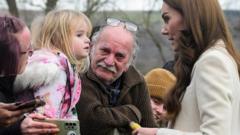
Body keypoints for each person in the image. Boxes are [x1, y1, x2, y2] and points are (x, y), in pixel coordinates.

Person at [133, 0, 240, 135]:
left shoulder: (212, 62)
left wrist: (157, 133)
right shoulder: (219, 59)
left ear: (190, 16)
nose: (163, 30)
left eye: (167, 18)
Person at [76, 17, 156, 135]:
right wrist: (132, 112)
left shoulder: (136, 81)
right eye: (105, 51)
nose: (109, 61)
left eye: (119, 56)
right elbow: (90, 121)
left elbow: (149, 129)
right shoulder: (78, 74)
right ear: (91, 48)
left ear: (129, 63)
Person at [13, 9, 92, 119]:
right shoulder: (52, 71)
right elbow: (46, 114)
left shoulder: (67, 68)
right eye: (79, 35)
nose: (88, 40)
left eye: (87, 35)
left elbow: (67, 109)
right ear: (59, 38)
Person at [0, 15, 59, 135]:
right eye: (27, 51)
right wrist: (17, 129)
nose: (31, 55)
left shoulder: (9, 81)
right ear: (9, 55)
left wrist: (24, 122)